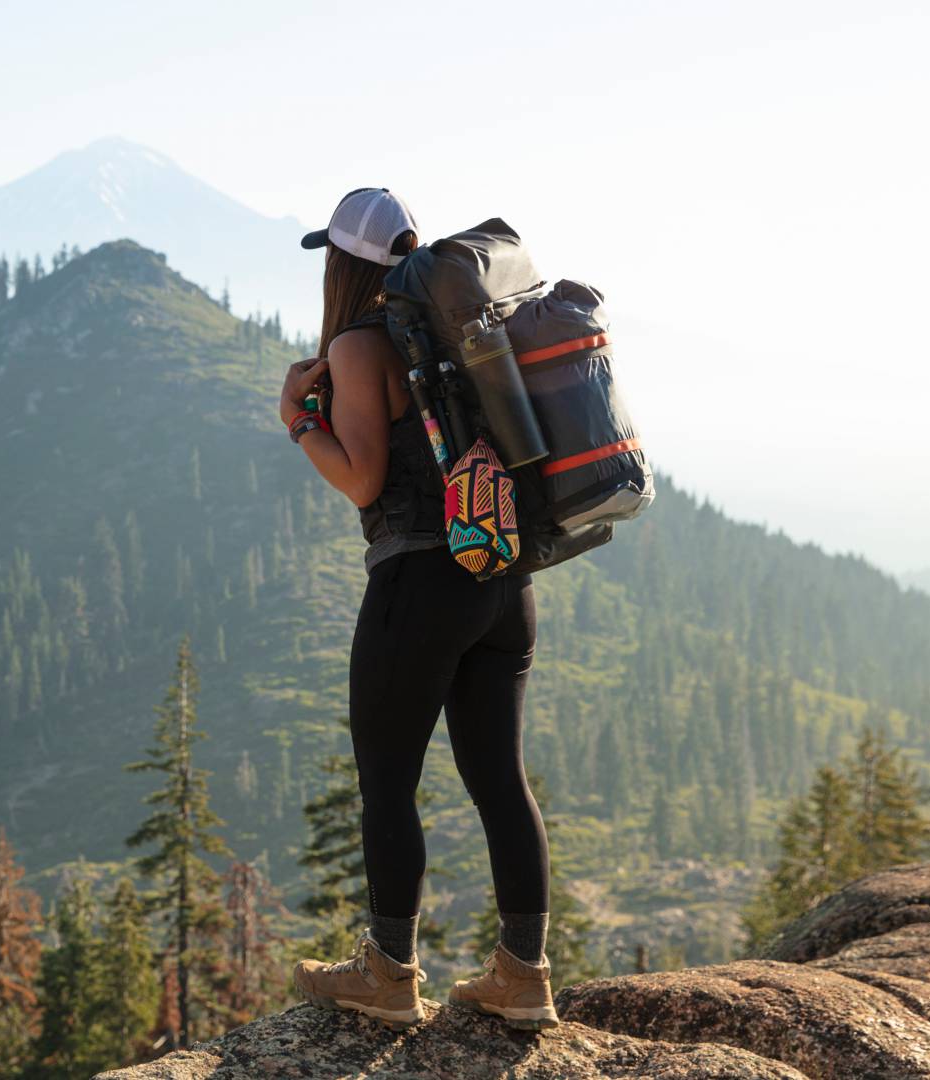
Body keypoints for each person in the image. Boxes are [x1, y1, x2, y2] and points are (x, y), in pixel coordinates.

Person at [282, 188, 560, 1032]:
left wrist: (298, 422)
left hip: (420, 583)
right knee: (499, 782)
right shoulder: (461, 331)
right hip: (503, 577)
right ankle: (523, 975)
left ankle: (390, 974)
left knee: (387, 781)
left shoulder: (361, 346)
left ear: (342, 261)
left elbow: (365, 480)